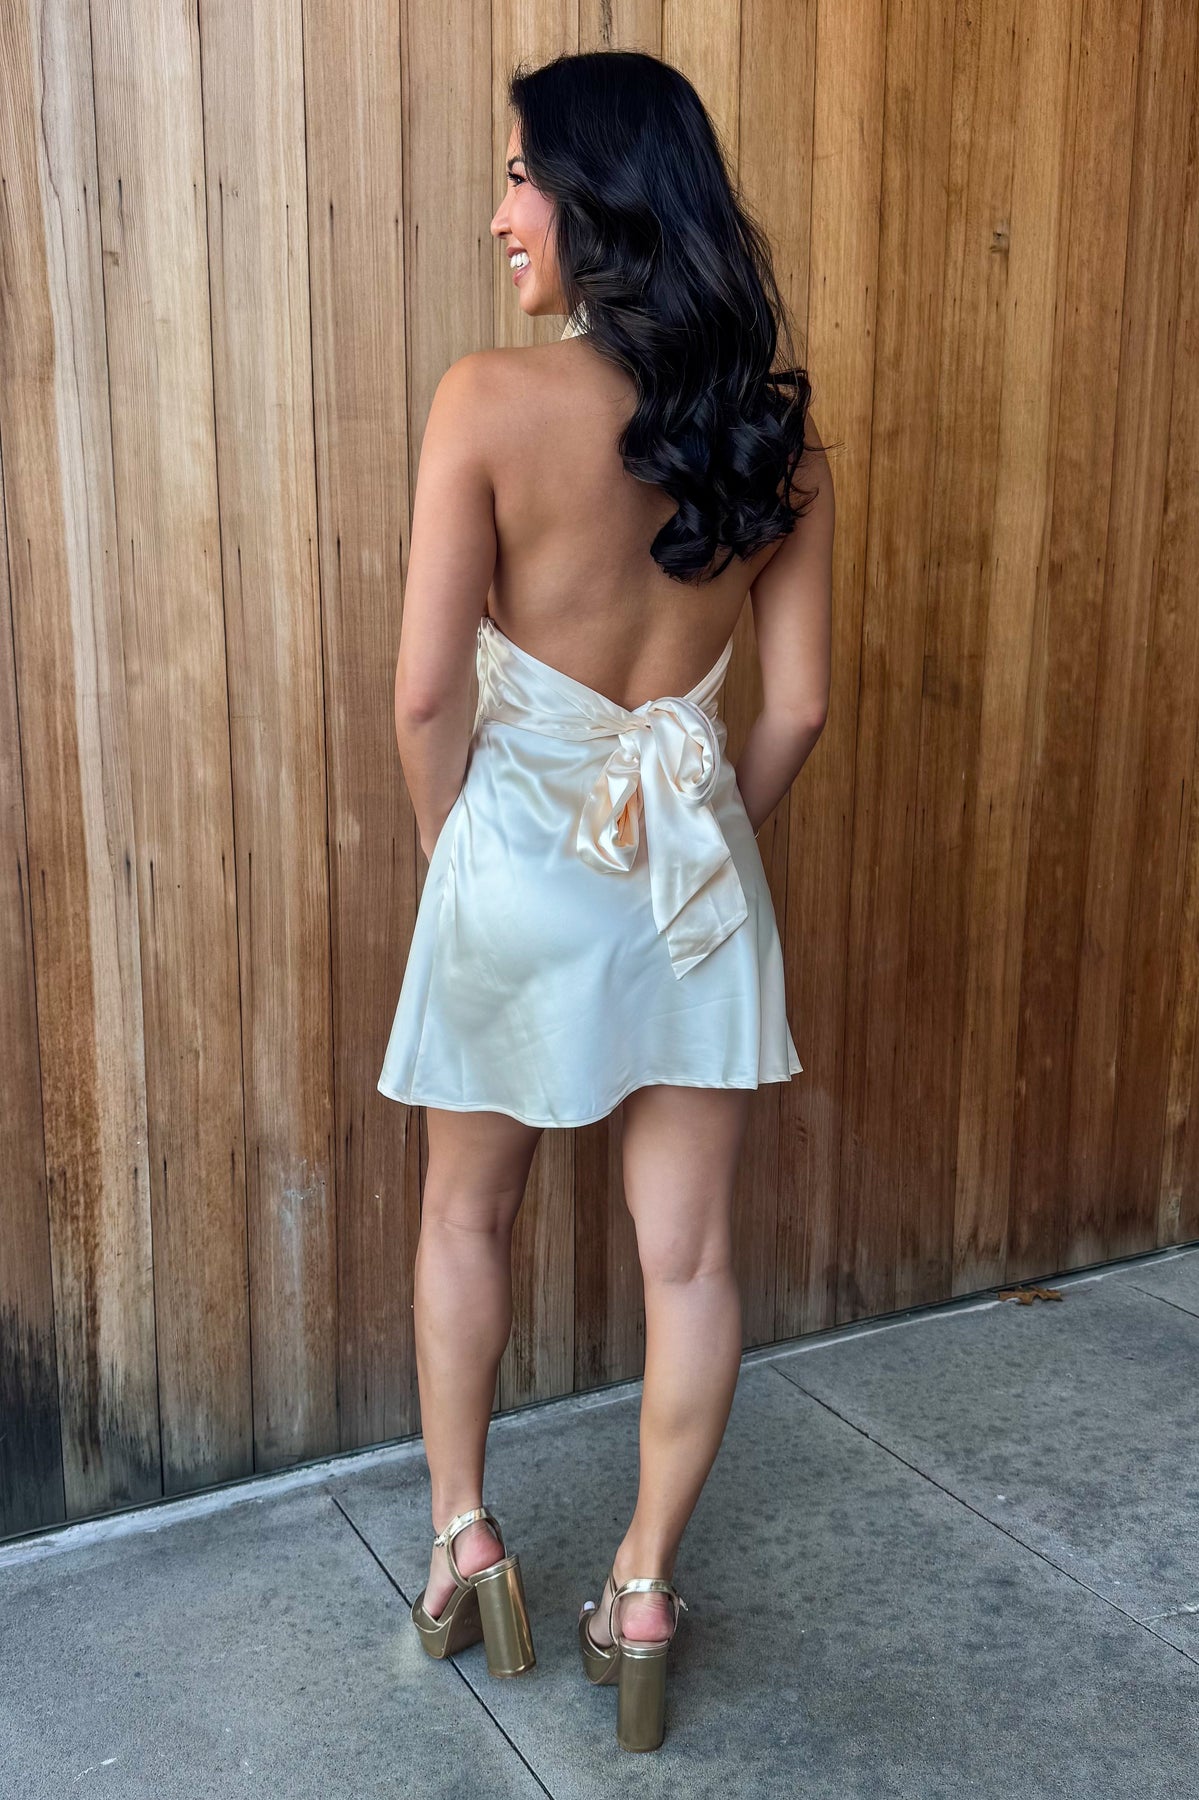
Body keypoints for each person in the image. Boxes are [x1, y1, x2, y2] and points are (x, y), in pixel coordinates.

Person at [376, 48, 834, 1751]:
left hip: (513, 869)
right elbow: (795, 710)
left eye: (520, 178)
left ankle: (462, 1543)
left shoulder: (486, 404)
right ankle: (641, 1589)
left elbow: (427, 695)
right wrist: (702, 835)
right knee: (691, 1257)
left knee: (464, 1218)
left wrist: (466, 863)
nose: (502, 215)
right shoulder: (781, 441)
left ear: (601, 199)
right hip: (693, 888)